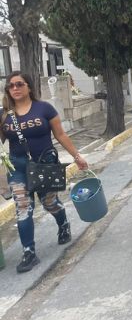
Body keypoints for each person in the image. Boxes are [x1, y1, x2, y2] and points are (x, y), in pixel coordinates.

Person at [1, 71, 89, 273]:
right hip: (17, 167)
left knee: (49, 203)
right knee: (23, 208)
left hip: (44, 164)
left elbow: (60, 134)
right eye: (10, 86)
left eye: (19, 84)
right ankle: (29, 252)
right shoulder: (4, 114)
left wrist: (77, 156)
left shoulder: (44, 108)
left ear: (29, 87)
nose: (15, 88)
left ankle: (63, 223)